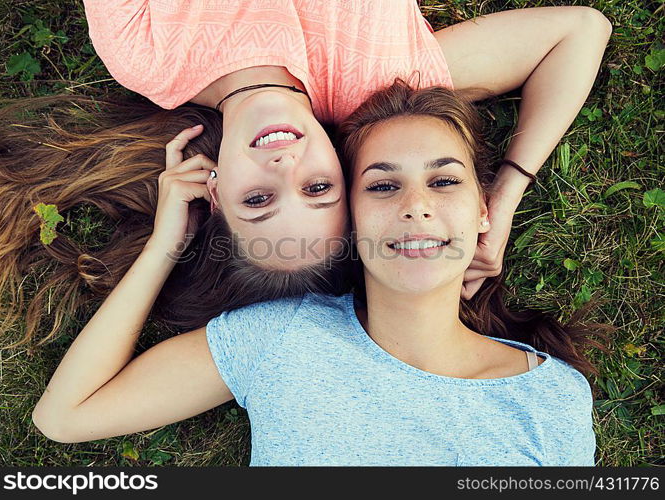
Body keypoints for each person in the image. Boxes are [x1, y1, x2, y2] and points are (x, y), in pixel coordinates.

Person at [30, 80, 612, 465]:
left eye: (445, 181)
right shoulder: (282, 338)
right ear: (349, 220)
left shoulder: (549, 397)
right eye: (383, 185)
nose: (416, 205)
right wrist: (166, 243)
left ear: (479, 209)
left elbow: (584, 27)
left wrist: (505, 199)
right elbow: (65, 415)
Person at [0, 3, 612, 347]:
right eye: (317, 188)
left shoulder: (144, 58)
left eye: (257, 198)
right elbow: (579, 32)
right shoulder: (384, 83)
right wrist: (500, 198)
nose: (284, 166)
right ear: (346, 164)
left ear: (212, 189)